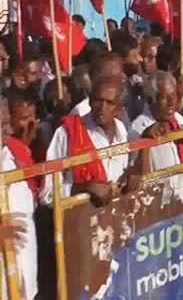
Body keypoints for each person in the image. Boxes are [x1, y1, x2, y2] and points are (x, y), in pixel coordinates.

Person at [41, 76, 133, 206]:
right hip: (80, 221)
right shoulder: (67, 133)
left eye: (110, 103)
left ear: (120, 107)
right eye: (97, 101)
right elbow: (47, 194)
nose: (102, 107)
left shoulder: (122, 130)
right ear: (89, 101)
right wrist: (84, 188)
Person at [0, 96, 38, 300]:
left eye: (7, 123)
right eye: (1, 125)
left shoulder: (14, 150)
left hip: (24, 268)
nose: (8, 130)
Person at [131, 72, 183, 173]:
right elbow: (138, 177)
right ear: (151, 100)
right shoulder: (138, 128)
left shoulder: (179, 119)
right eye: (164, 97)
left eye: (173, 95)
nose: (172, 102)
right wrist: (145, 141)